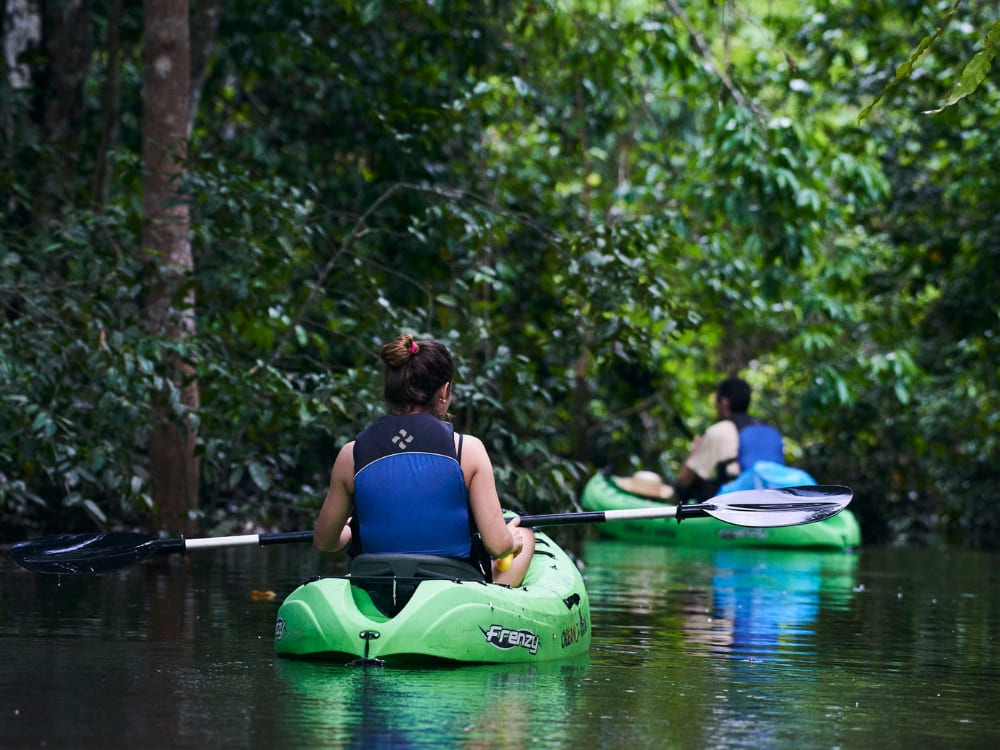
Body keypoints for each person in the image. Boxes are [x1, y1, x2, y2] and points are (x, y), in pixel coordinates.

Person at [313, 333, 535, 587]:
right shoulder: (467, 449)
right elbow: (496, 545)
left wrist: (349, 530)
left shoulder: (350, 454)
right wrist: (512, 539)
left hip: (378, 585)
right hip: (452, 588)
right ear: (443, 391)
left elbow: (325, 541)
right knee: (526, 535)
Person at [672, 376, 784, 502]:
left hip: (736, 504)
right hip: (773, 499)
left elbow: (685, 479)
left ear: (724, 402)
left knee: (693, 483)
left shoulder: (719, 430)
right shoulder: (769, 429)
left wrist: (693, 453)